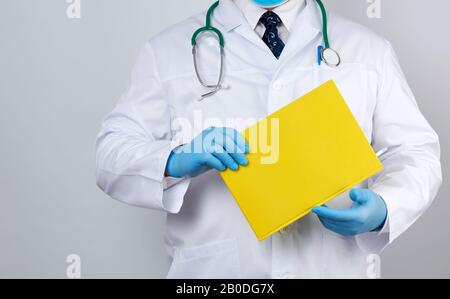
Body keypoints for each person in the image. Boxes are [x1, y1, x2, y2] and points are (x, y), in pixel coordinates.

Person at [95, 0, 442, 278]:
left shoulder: (367, 50)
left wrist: (385, 206)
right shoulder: (168, 50)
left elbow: (415, 152)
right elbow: (111, 154)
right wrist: (175, 159)